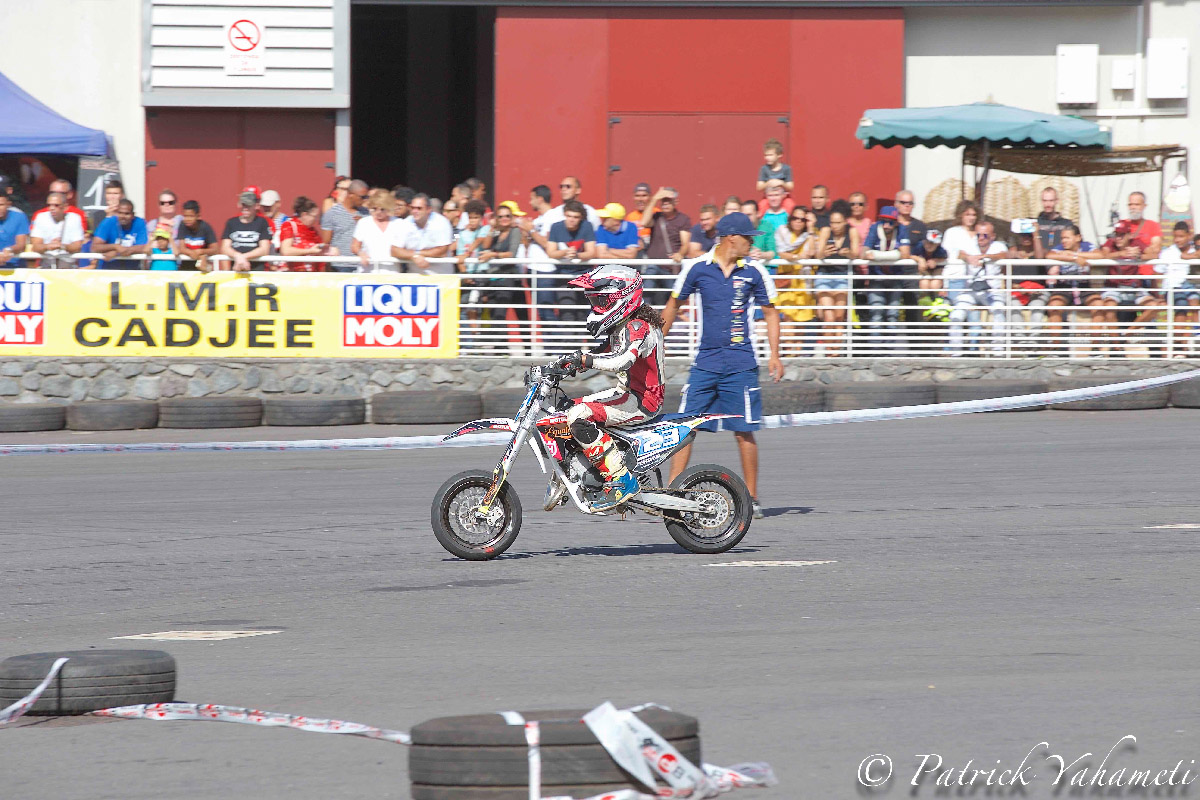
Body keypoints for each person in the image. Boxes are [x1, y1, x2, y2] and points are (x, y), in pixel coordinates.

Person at [661, 212, 783, 519]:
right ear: (731, 237)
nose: (752, 243)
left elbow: (770, 312)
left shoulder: (755, 270)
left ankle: (752, 498)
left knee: (744, 431)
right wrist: (656, 344)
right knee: (685, 427)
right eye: (748, 238)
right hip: (706, 362)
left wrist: (775, 355)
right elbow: (674, 304)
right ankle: (673, 494)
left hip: (742, 364)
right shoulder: (696, 268)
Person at [554, 264, 666, 511]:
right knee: (567, 409)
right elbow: (601, 352)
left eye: (602, 300)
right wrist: (566, 364)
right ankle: (577, 473)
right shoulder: (626, 324)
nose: (596, 307)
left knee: (579, 417)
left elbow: (622, 360)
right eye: (594, 301)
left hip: (642, 400)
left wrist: (585, 360)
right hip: (627, 392)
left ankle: (621, 480)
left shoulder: (639, 327)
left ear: (623, 296)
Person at [946, 221, 1008, 355]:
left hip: (991, 291)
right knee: (956, 315)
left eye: (985, 235)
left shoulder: (998, 245)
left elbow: (1004, 255)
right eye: (978, 235)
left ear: (992, 236)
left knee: (998, 310)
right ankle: (956, 352)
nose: (980, 238)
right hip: (971, 291)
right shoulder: (970, 245)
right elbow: (960, 253)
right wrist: (969, 257)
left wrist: (986, 257)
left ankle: (998, 351)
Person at [772, 207, 816, 330]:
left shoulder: (809, 235)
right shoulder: (782, 231)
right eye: (795, 218)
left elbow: (812, 251)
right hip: (786, 279)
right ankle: (787, 349)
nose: (798, 221)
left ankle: (797, 349)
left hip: (803, 281)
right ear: (790, 219)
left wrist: (811, 229)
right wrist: (798, 257)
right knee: (787, 321)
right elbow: (781, 253)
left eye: (802, 219)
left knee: (800, 325)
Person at [389, 193, 454, 274]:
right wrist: (414, 256)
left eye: (419, 208)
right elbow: (394, 250)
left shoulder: (441, 222)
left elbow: (442, 251)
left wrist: (417, 253)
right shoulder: (405, 223)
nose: (415, 211)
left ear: (428, 209)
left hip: (441, 276)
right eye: (412, 208)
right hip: (416, 278)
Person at [279, 196, 338, 272]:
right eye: (314, 216)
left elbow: (319, 252)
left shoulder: (313, 232)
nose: (316, 220)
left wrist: (329, 251)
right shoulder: (290, 226)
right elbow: (286, 251)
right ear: (304, 215)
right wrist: (309, 251)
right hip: (294, 274)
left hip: (312, 275)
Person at [320, 179, 367, 271]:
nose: (365, 200)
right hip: (340, 265)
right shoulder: (332, 213)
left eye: (366, 197)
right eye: (362, 197)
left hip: (363, 265)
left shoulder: (366, 214)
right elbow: (326, 242)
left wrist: (364, 224)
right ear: (351, 195)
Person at [221, 191, 273, 272]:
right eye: (243, 204)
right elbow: (225, 247)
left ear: (256, 206)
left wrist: (244, 257)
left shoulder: (262, 222)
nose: (245, 208)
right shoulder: (231, 222)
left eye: (249, 205)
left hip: (256, 270)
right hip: (235, 268)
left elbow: (264, 249)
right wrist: (237, 256)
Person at [353, 189, 403, 271]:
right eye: (374, 208)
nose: (378, 212)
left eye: (382, 209)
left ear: (388, 208)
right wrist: (361, 253)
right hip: (368, 271)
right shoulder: (364, 223)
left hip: (391, 271)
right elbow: (354, 246)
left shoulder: (399, 223)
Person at [91, 199, 148, 270]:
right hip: (107, 270)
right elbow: (95, 247)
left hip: (132, 272)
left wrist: (118, 252)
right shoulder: (108, 222)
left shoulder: (140, 223)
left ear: (133, 215)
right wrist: (115, 247)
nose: (123, 216)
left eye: (127, 214)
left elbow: (145, 247)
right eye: (120, 213)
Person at [174, 200, 219, 273]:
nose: (187, 219)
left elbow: (215, 249)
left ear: (198, 216)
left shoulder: (205, 227)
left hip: (203, 269)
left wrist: (201, 251)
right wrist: (191, 253)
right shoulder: (182, 225)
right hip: (186, 268)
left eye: (191, 216)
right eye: (185, 216)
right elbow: (181, 248)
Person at [1036, 187, 1072, 252]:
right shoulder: (1036, 223)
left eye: (1051, 201)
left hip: (1060, 259)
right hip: (1040, 260)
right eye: (1045, 201)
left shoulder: (1066, 223)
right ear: (1041, 201)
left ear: (1056, 201)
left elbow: (1075, 245)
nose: (1048, 204)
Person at [0, 193, 30, 267]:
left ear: (8, 204)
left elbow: (21, 245)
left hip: (15, 265)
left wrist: (9, 250)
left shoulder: (19, 217)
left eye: (1, 205)